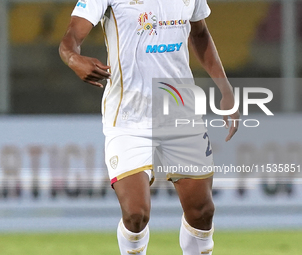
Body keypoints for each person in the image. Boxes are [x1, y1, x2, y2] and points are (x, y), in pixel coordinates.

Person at [59, 0, 240, 254]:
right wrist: (73, 58)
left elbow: (199, 33)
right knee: (136, 214)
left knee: (202, 211)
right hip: (129, 117)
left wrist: (225, 88)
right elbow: (71, 37)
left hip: (179, 112)